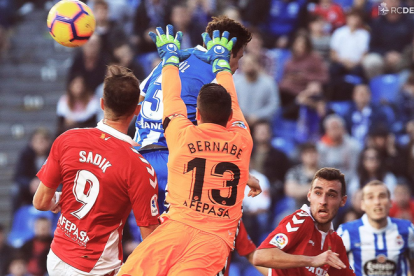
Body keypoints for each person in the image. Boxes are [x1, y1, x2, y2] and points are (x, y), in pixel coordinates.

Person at [118, 25, 260, 276]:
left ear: (199, 113)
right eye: (240, 56)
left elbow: (161, 99)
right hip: (206, 225)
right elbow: (234, 107)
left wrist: (169, 59)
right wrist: (222, 66)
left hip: (145, 166)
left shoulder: (181, 130)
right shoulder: (241, 137)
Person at [32, 65, 159, 276]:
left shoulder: (67, 139)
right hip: (95, 268)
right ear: (137, 110)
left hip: (57, 259)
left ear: (102, 104)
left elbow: (40, 202)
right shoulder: (140, 167)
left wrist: (63, 197)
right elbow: (151, 239)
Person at [134, 16, 252, 213]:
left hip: (139, 160)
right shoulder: (217, 77)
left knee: (147, 236)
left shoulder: (172, 58)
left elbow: (138, 98)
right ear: (228, 52)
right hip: (175, 161)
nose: (238, 66)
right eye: (239, 58)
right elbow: (217, 137)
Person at [253, 167, 355, 276]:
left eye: (331, 195)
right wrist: (312, 260)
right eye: (318, 193)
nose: (323, 201)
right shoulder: (300, 220)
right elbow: (261, 256)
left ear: (343, 201)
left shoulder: (335, 241)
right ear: (309, 195)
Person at [337, 180, 414, 276]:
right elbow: (331, 269)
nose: (377, 202)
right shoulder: (346, 232)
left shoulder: (407, 229)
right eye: (370, 197)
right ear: (363, 205)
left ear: (390, 202)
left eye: (382, 196)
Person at [12, 128, 52, 213]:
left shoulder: (53, 155)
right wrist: (30, 183)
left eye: (43, 141)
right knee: (15, 190)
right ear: (31, 143)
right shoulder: (25, 154)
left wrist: (44, 184)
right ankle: (16, 221)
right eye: (37, 141)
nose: (40, 144)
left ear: (48, 142)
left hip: (49, 189)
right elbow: (18, 176)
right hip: (29, 190)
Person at [234, 54, 279, 125]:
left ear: (258, 65)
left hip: (262, 121)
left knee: (262, 131)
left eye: (251, 63)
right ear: (242, 66)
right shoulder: (236, 83)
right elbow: (232, 103)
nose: (249, 66)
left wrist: (258, 116)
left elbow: (274, 104)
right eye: (245, 63)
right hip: (240, 120)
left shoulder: (269, 82)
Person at [317, 114, 361, 181]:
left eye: (337, 127)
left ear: (343, 129)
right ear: (326, 130)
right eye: (332, 128)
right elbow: (320, 168)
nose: (334, 131)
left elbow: (354, 169)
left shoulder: (353, 146)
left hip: (349, 179)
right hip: (327, 179)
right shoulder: (321, 147)